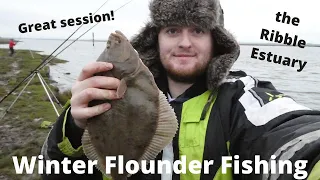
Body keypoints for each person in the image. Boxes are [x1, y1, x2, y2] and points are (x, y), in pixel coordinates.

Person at [41, 0, 320, 179]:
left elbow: (293, 134)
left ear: (216, 41)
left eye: (198, 30)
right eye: (173, 30)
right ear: (156, 39)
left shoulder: (243, 99)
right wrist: (75, 127)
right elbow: (54, 172)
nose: (185, 43)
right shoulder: (102, 91)